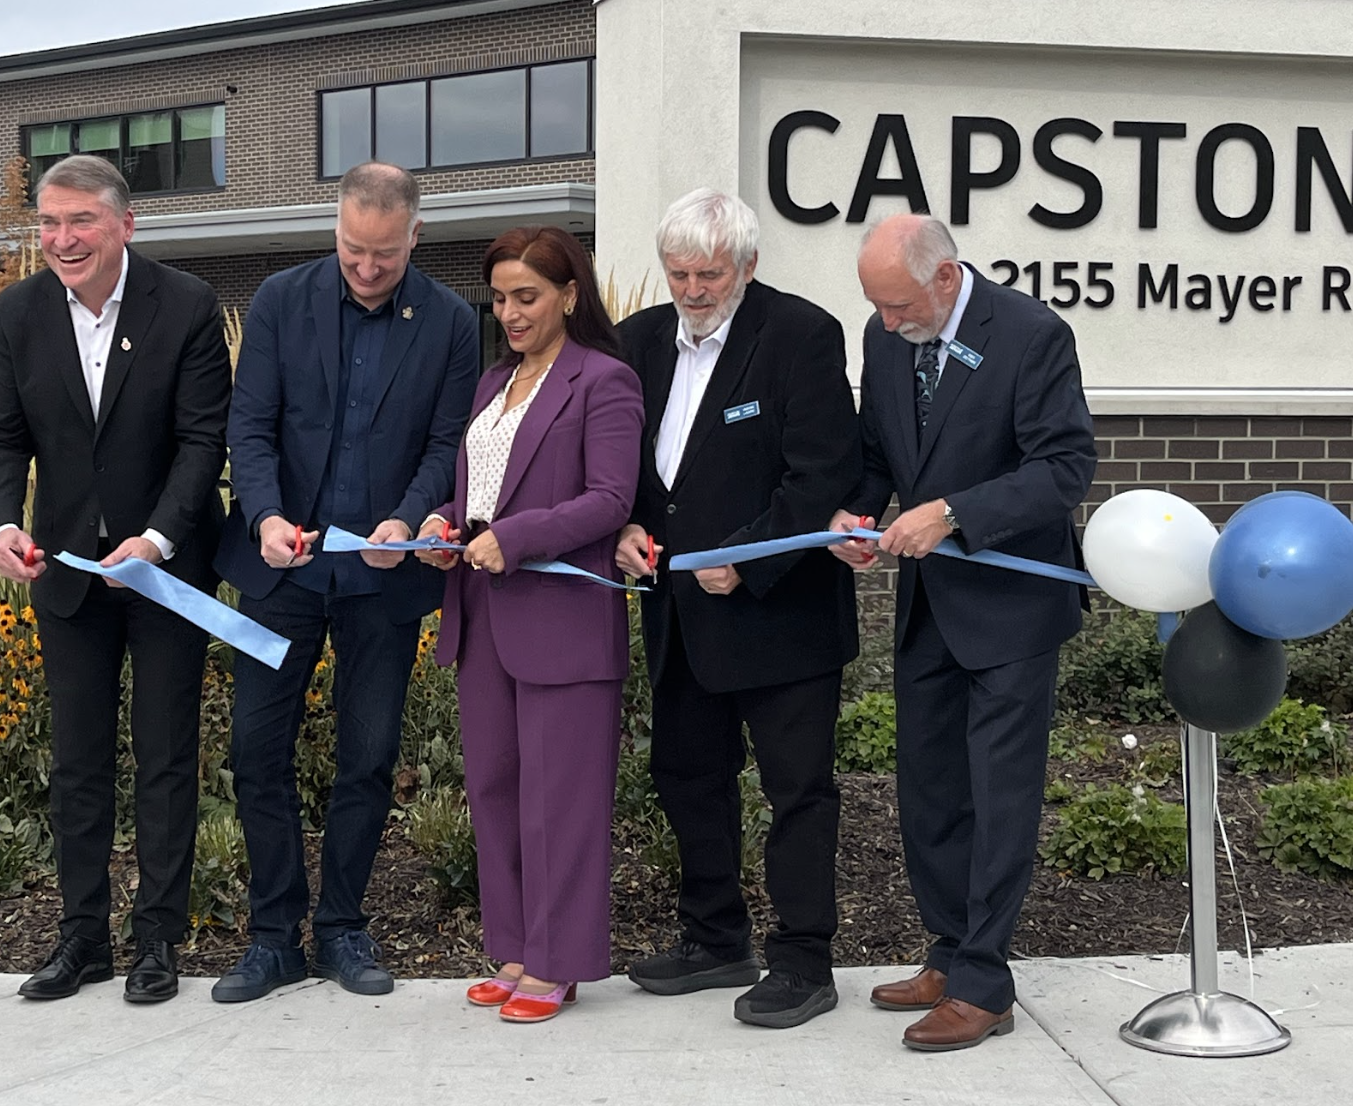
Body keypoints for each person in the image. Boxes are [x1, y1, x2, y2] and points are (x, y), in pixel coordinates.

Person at [210, 162, 478, 1003]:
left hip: (385, 581)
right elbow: (249, 427)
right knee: (257, 749)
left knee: (367, 758)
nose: (366, 268)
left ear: (414, 237)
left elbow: (448, 444)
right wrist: (264, 516)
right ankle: (272, 935)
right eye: (354, 250)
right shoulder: (281, 301)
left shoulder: (451, 321)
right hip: (282, 569)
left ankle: (341, 928)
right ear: (336, 229)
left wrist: (405, 521)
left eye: (385, 256)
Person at [828, 213, 1096, 1051]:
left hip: (1012, 610)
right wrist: (861, 511)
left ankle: (986, 981)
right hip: (930, 607)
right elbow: (880, 452)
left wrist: (953, 514)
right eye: (875, 305)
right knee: (931, 792)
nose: (886, 321)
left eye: (899, 303)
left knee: (999, 798)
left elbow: (1063, 468)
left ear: (946, 277)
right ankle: (946, 951)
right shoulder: (886, 337)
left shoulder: (1031, 335)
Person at [0, 154, 232, 1004]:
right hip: (67, 580)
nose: (60, 239)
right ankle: (80, 940)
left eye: (79, 220)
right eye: (49, 223)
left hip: (162, 577)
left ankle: (157, 940)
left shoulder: (186, 305)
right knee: (78, 764)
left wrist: (156, 540)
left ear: (126, 224)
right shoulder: (18, 311)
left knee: (164, 760)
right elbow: (1, 436)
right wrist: (6, 523)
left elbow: (203, 442)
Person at [614, 189, 860, 1029]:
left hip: (781, 614)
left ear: (748, 267)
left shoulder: (801, 335)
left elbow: (821, 473)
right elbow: (623, 467)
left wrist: (748, 559)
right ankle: (715, 938)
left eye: (709, 273)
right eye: (679, 272)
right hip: (678, 614)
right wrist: (627, 528)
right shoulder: (637, 340)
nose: (692, 289)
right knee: (688, 777)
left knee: (797, 791)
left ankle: (804, 959)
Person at [412, 225, 643, 1024]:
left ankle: (559, 962)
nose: (509, 312)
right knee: (498, 790)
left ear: (569, 296)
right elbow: (477, 493)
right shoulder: (491, 384)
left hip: (565, 621)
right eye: (501, 297)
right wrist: (444, 528)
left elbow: (610, 499)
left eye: (527, 297)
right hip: (481, 617)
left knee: (563, 801)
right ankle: (514, 950)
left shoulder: (604, 381)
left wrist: (513, 538)